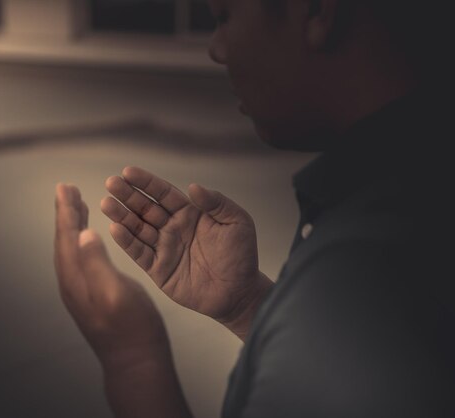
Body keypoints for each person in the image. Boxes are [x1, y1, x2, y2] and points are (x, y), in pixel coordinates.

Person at [54, 0, 453, 417]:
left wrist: (133, 361)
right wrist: (249, 305)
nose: (216, 49)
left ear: (317, 11)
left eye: (223, 16)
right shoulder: (418, 182)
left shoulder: (366, 265)